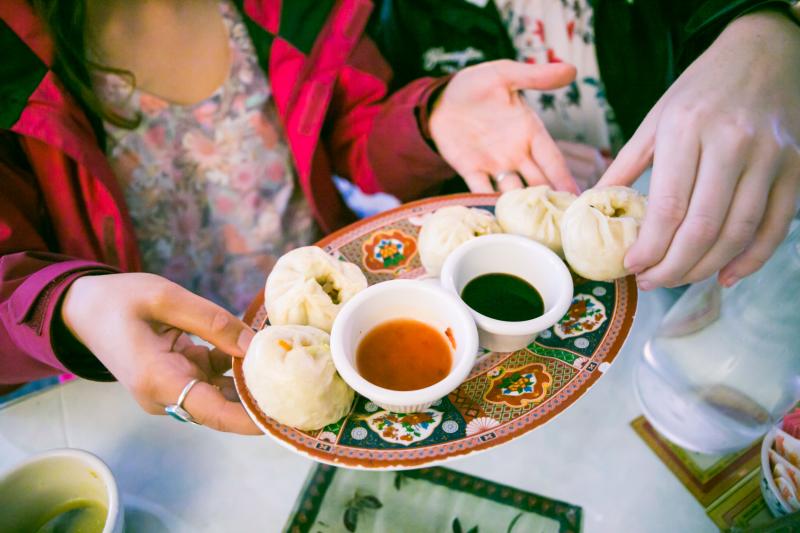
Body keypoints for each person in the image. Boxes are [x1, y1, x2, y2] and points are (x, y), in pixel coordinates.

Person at [0, 0, 580, 432]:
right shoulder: (12, 56)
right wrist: (66, 306)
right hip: (133, 377)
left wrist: (425, 122)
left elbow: (352, 125)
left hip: (336, 332)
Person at [371, 0, 800, 291]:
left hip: (730, 213)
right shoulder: (402, 17)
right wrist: (429, 117)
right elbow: (366, 150)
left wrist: (776, 27)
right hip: (534, 276)